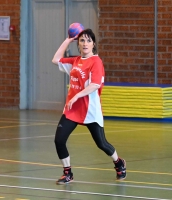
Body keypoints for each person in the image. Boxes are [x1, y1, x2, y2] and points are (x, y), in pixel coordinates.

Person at [51, 29, 126, 184]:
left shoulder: (96, 62)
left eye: (88, 40)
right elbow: (56, 59)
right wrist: (68, 40)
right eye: (82, 40)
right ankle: (67, 173)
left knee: (101, 143)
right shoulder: (75, 61)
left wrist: (77, 95)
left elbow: (95, 85)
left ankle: (118, 162)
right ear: (78, 44)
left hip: (90, 110)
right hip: (72, 109)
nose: (85, 43)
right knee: (59, 140)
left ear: (94, 44)